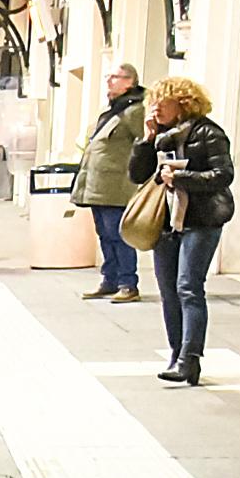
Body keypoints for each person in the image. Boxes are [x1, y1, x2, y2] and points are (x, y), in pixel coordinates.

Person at [130, 75, 234, 386]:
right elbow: (137, 174)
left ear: (184, 104)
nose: (156, 108)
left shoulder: (209, 133)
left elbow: (223, 174)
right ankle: (176, 353)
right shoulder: (159, 136)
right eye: (154, 102)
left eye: (164, 102)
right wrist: (146, 141)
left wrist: (182, 178)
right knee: (168, 292)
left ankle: (191, 359)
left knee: (189, 286)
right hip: (166, 219)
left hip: (202, 218)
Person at [73, 63, 147, 303]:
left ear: (130, 82)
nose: (109, 81)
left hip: (117, 184)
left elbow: (144, 143)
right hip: (99, 185)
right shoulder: (113, 111)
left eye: (115, 77)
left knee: (119, 234)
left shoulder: (135, 110)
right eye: (109, 76)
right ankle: (110, 279)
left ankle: (128, 282)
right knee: (104, 234)